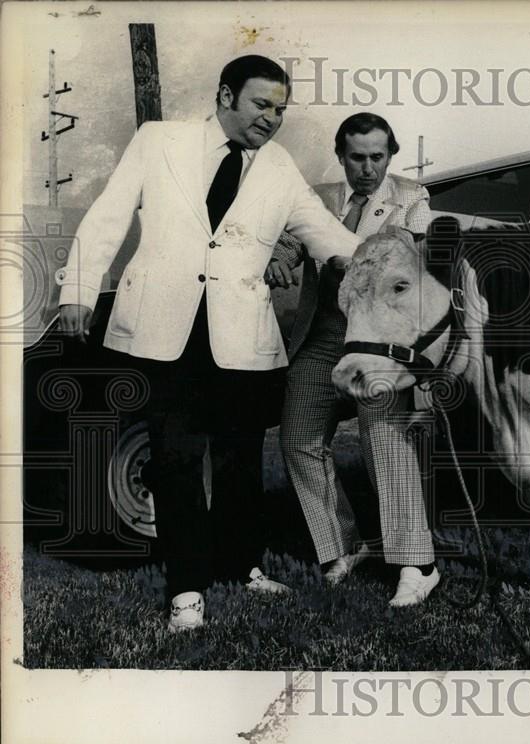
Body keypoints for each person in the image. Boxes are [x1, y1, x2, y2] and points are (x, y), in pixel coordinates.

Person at [57, 55, 361, 632]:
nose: (271, 118)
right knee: (175, 460)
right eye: (261, 104)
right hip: (164, 334)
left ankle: (240, 565)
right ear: (225, 95)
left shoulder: (279, 167)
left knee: (240, 461)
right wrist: (78, 287)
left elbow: (327, 235)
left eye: (280, 109)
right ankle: (187, 592)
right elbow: (109, 214)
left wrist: (384, 269)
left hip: (242, 339)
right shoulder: (159, 140)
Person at [268, 112, 439, 607]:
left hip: (378, 341)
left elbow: (414, 252)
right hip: (322, 339)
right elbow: (290, 241)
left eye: (378, 157)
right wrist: (280, 256)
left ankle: (416, 565)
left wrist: (355, 254)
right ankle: (343, 546)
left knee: (384, 439)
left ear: (391, 155)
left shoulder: (412, 198)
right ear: (341, 156)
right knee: (299, 437)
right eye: (357, 158)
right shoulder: (319, 199)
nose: (368, 169)